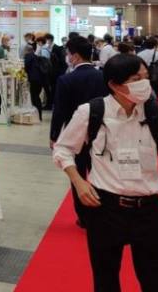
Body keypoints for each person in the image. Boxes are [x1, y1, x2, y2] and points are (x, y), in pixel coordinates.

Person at [53, 54, 158, 291]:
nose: (145, 83)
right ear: (114, 85)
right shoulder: (91, 112)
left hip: (148, 210)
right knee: (105, 281)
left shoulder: (157, 114)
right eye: (136, 79)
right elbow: (63, 149)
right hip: (105, 209)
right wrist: (79, 182)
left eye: (146, 76)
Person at [50, 36, 109, 228]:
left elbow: (59, 111)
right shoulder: (103, 77)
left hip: (76, 135)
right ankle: (103, 211)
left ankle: (84, 216)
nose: (67, 57)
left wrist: (54, 136)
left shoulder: (66, 80)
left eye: (68, 54)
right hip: (102, 133)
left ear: (75, 56)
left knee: (79, 174)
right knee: (102, 172)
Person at [23, 44, 47, 120]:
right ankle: (39, 115)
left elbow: (26, 67)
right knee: (37, 96)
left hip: (34, 79)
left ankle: (37, 115)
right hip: (40, 79)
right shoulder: (36, 57)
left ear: (26, 50)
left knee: (34, 97)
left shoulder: (28, 56)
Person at [47, 34, 67, 109]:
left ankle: (56, 103)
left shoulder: (57, 48)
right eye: (63, 40)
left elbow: (61, 61)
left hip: (59, 71)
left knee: (56, 88)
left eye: (65, 40)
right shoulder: (59, 48)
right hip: (55, 72)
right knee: (54, 88)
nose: (64, 42)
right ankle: (53, 103)